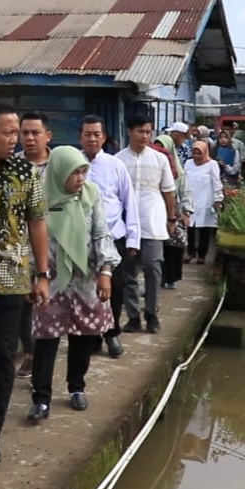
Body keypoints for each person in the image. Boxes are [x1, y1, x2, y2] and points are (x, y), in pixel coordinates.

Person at [0, 103, 51, 465]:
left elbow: (37, 222)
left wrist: (43, 273)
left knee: (3, 353)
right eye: (8, 132)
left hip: (11, 276)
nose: (15, 139)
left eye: (18, 132)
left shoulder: (25, 172)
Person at [26, 146, 120, 422]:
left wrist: (105, 271)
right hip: (51, 280)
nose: (80, 178)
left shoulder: (91, 195)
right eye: (74, 173)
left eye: (83, 172)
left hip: (85, 279)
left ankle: (76, 387)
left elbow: (101, 233)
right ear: (58, 172)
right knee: (45, 339)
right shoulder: (40, 196)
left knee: (84, 337)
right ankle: (40, 398)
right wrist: (34, 275)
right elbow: (31, 238)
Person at [79, 115, 139, 359]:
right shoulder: (73, 164)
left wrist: (133, 240)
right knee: (87, 290)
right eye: (87, 134)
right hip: (82, 242)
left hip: (115, 239)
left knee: (114, 289)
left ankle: (111, 333)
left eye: (97, 134)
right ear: (80, 137)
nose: (92, 138)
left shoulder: (115, 166)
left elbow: (129, 202)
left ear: (104, 137)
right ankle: (91, 335)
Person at [115, 114, 178, 334]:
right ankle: (133, 317)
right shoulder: (119, 160)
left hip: (153, 221)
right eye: (140, 131)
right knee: (128, 272)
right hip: (125, 224)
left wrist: (172, 218)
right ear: (130, 131)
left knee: (153, 267)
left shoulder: (160, 159)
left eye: (148, 131)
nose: (145, 136)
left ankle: (151, 312)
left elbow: (169, 192)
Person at [14, 111, 53, 379]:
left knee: (49, 304)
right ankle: (29, 353)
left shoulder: (59, 167)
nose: (29, 138)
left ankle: (45, 357)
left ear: (47, 136)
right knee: (22, 306)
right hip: (18, 248)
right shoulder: (12, 165)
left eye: (34, 133)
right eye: (24, 133)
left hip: (53, 246)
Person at [155, 125, 193, 291]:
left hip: (173, 213)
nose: (159, 151)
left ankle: (171, 278)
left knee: (173, 248)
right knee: (157, 249)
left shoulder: (178, 171)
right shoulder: (153, 167)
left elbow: (185, 192)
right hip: (156, 213)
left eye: (162, 147)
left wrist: (186, 211)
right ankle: (156, 280)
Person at [183, 140, 223, 264]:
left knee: (205, 229)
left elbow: (216, 182)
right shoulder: (188, 163)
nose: (196, 156)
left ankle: (202, 255)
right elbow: (184, 180)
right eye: (194, 153)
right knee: (189, 228)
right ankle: (190, 252)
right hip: (190, 199)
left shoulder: (212, 165)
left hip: (206, 200)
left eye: (199, 154)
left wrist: (218, 198)